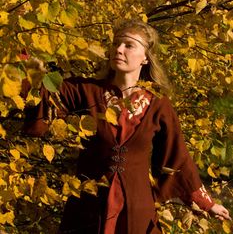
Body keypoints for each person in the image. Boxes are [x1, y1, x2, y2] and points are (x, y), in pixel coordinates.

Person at [23, 19, 230, 233]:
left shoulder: (158, 104)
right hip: (87, 207)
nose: (118, 50)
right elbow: (42, 95)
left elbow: (176, 157)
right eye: (116, 44)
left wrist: (208, 203)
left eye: (128, 45)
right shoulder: (85, 91)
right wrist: (24, 62)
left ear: (145, 58)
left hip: (136, 211)